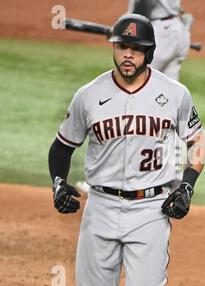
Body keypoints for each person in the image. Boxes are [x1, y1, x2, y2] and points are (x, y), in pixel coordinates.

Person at [48, 14, 205, 286]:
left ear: (149, 52)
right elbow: (62, 146)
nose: (128, 55)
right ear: (113, 48)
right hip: (100, 207)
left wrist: (187, 185)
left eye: (136, 49)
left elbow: (197, 140)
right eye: (122, 47)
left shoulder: (174, 94)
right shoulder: (88, 95)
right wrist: (58, 182)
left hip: (151, 210)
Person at [76, 0, 192, 194]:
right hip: (176, 29)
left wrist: (126, 33)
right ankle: (174, 178)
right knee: (171, 105)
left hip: (157, 32)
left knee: (134, 94)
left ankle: (110, 178)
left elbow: (143, 4)